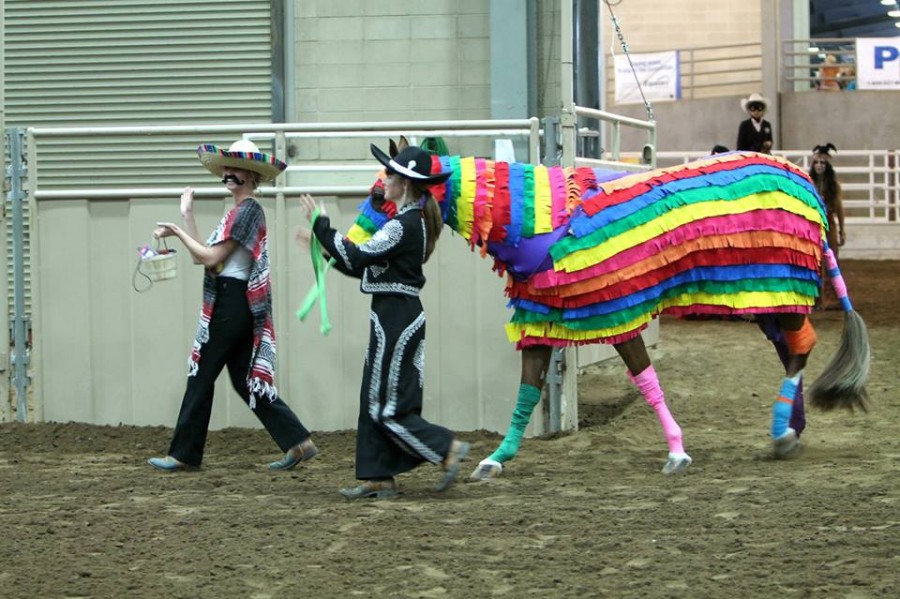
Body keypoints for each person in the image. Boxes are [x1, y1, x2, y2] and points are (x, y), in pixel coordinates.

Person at [297, 144, 469, 499]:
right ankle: (379, 475)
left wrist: (322, 227)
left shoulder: (403, 225)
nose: (384, 180)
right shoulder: (406, 223)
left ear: (404, 183)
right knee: (374, 396)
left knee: (387, 405)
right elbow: (361, 263)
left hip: (396, 318)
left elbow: (358, 256)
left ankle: (445, 449)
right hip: (392, 315)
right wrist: (324, 244)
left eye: (389, 174)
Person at [148, 140, 317, 472]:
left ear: (252, 176)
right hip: (233, 302)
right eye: (226, 168)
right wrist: (186, 216)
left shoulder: (247, 211)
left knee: (201, 375)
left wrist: (178, 231)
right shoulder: (239, 213)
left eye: (235, 168)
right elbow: (205, 256)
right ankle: (298, 442)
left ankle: (184, 453)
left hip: (230, 303)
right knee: (242, 378)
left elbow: (209, 257)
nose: (228, 173)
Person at [810, 143, 846, 309]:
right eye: (816, 162)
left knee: (831, 260)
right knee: (814, 261)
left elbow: (839, 208)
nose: (819, 166)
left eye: (822, 163)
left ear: (828, 166)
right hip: (813, 226)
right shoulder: (809, 183)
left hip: (829, 224)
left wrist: (841, 230)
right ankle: (816, 298)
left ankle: (833, 298)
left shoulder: (834, 186)